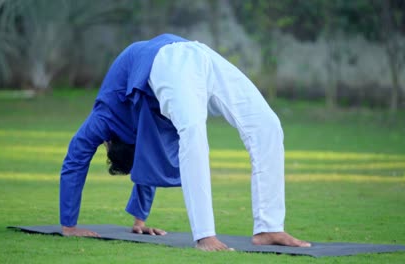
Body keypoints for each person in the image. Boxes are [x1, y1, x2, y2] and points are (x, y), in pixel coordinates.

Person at [59, 33, 310, 251]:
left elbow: (78, 156)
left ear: (109, 143)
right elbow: (145, 161)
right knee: (194, 132)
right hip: (184, 59)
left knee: (266, 125)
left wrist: (69, 225)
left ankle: (269, 227)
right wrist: (139, 221)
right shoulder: (131, 131)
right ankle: (205, 235)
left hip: (177, 57)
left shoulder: (106, 116)